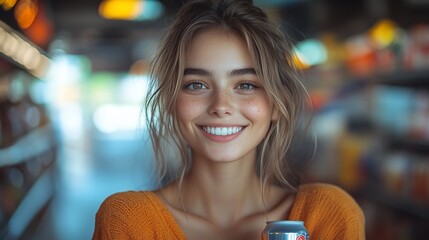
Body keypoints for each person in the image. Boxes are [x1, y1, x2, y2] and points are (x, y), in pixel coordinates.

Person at [92, 0, 365, 239]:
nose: (221, 106)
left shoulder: (326, 216)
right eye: (197, 85)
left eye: (246, 85)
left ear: (277, 105)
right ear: (171, 102)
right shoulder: (130, 222)